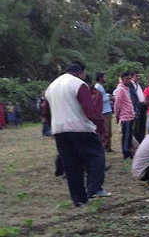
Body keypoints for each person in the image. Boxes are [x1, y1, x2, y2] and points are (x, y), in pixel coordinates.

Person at [44, 61, 110, 207]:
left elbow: (45, 111)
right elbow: (89, 109)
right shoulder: (79, 84)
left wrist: (51, 126)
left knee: (72, 165)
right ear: (81, 71)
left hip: (60, 129)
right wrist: (100, 125)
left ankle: (79, 199)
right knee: (97, 157)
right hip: (80, 127)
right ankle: (94, 188)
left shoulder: (51, 86)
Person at [113, 71, 136, 159]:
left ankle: (128, 151)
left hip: (129, 115)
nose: (129, 81)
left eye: (130, 79)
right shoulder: (120, 89)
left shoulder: (126, 88)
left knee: (129, 135)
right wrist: (117, 115)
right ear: (122, 79)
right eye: (127, 79)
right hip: (125, 116)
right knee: (126, 135)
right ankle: (126, 153)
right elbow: (117, 104)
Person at [95, 72, 114, 152]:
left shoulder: (101, 87)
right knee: (105, 131)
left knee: (109, 131)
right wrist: (109, 98)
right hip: (104, 112)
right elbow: (98, 99)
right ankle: (102, 148)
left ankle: (107, 147)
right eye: (104, 77)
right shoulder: (97, 87)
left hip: (107, 110)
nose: (105, 78)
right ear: (100, 78)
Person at [131, 71, 147, 143]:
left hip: (143, 105)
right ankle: (137, 140)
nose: (138, 78)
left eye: (138, 76)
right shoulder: (130, 85)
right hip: (136, 107)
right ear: (132, 76)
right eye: (136, 76)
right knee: (137, 125)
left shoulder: (139, 84)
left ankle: (142, 139)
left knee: (143, 123)